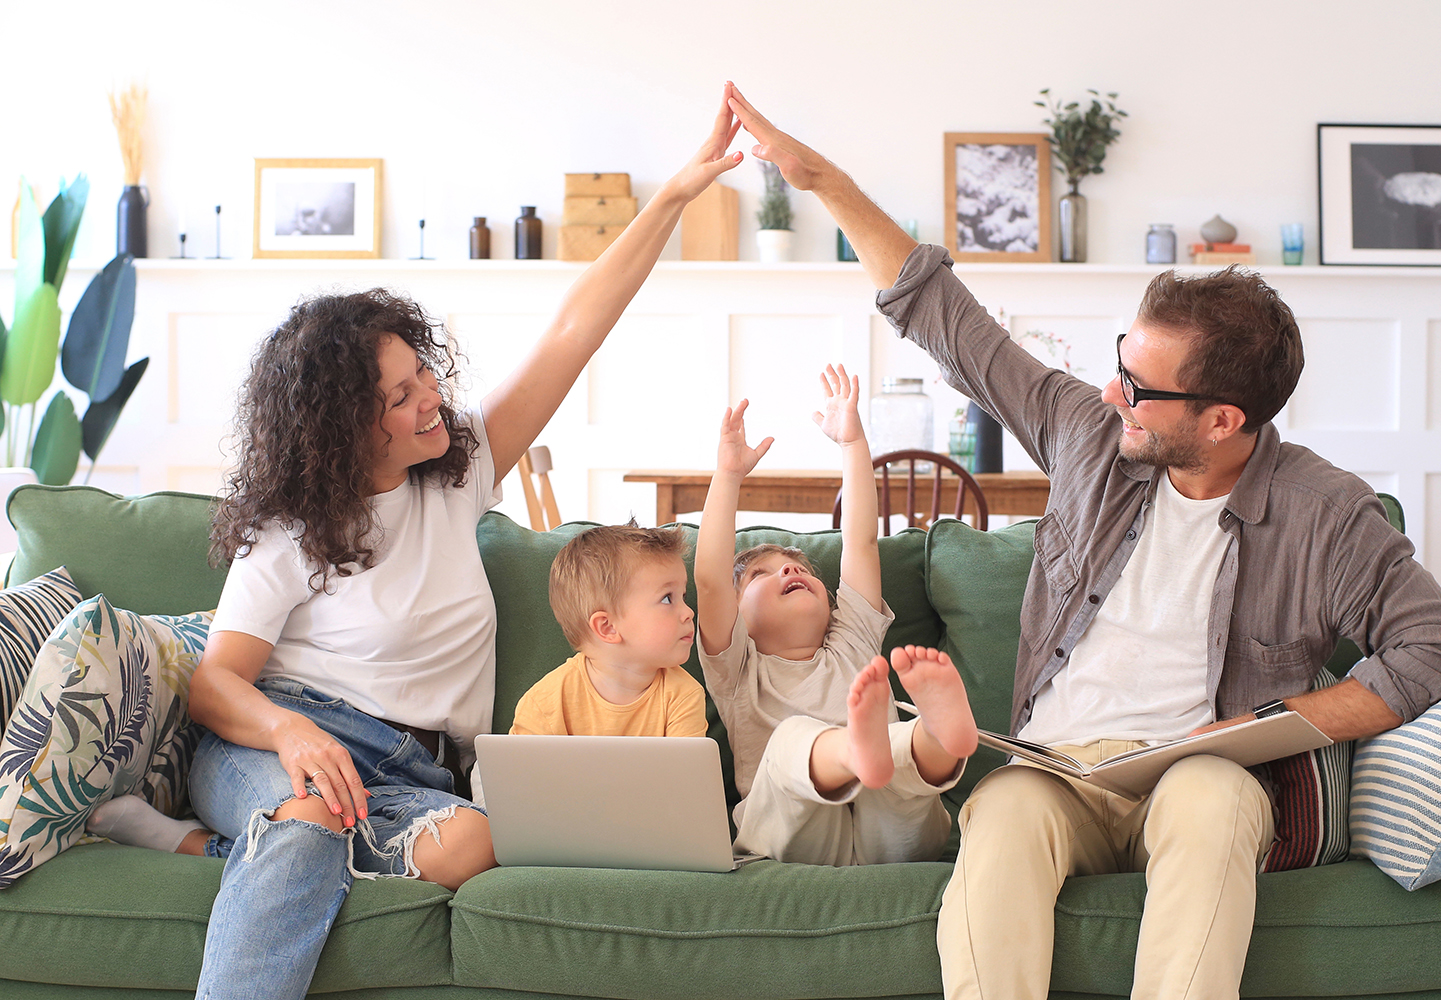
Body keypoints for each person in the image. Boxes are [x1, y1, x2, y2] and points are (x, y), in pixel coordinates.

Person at [724, 85, 1441, 1000]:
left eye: (1140, 385)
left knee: (1210, 801)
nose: (1112, 391)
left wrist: (1274, 728)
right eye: (1122, 361)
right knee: (1001, 817)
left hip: (1199, 773)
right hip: (1056, 770)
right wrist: (822, 181)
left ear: (1223, 418)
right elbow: (945, 318)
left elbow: (1437, 650)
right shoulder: (1092, 434)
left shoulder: (1327, 514)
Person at [133, 89, 747, 1000]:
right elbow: (217, 681)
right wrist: (292, 733)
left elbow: (575, 331)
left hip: (414, 770)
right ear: (345, 427)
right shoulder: (293, 529)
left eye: (421, 370)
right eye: (398, 395)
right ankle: (277, 836)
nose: (429, 399)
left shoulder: (456, 471)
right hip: (283, 746)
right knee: (307, 817)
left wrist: (671, 200)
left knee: (475, 845)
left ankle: (206, 844)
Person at [693, 363, 979, 867]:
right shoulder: (739, 669)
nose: (786, 571)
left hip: (889, 841)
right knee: (789, 744)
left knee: (899, 766)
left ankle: (935, 739)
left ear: (829, 601)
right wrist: (728, 474)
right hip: (791, 838)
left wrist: (852, 444)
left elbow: (862, 542)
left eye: (795, 568)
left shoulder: (852, 640)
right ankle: (858, 749)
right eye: (763, 574)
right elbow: (711, 580)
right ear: (737, 620)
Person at [503, 523, 707, 742]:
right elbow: (519, 773)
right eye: (667, 598)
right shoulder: (546, 702)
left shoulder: (684, 695)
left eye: (683, 596)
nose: (688, 612)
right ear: (608, 627)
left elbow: (684, 775)